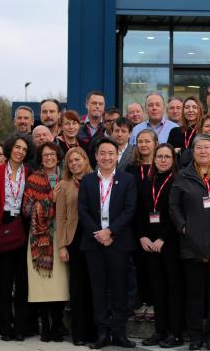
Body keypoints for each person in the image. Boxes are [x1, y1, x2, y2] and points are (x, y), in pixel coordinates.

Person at [169, 134, 210, 350]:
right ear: (192, 151)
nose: (203, 151)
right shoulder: (183, 176)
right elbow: (174, 206)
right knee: (194, 294)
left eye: (207, 147)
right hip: (191, 242)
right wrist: (183, 226)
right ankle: (195, 336)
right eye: (199, 148)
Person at [78, 137, 138, 349]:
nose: (106, 157)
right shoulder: (87, 181)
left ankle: (119, 333)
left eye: (111, 153)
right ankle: (102, 333)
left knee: (120, 289)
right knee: (99, 290)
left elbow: (130, 209)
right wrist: (99, 233)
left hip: (118, 242)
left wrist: (110, 232)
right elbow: (82, 210)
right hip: (93, 243)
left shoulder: (127, 179)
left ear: (117, 156)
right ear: (95, 156)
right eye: (102, 153)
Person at [135, 143, 184, 348]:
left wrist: (162, 239)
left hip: (170, 243)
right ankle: (160, 330)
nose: (163, 160)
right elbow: (139, 212)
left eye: (167, 157)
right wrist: (142, 236)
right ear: (154, 159)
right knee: (157, 289)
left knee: (173, 289)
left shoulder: (178, 181)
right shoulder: (147, 182)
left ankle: (175, 333)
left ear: (173, 160)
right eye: (159, 156)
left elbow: (178, 213)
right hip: (149, 244)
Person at [22, 142, 69, 342]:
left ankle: (57, 326)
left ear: (58, 157)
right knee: (42, 287)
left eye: (52, 154)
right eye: (45, 155)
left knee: (60, 285)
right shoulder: (33, 179)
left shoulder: (66, 178)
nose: (49, 157)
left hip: (61, 237)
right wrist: (50, 198)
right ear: (40, 159)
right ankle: (45, 327)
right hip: (39, 239)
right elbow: (26, 210)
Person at [0, 134, 33, 341]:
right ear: (10, 148)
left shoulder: (29, 172)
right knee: (4, 282)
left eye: (24, 149)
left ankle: (21, 328)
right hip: (2, 227)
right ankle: (5, 327)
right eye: (17, 147)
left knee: (23, 282)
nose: (20, 152)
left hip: (23, 228)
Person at [55, 147, 96, 346]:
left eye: (77, 159)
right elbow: (60, 217)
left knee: (94, 286)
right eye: (70, 161)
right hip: (74, 240)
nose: (74, 164)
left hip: (94, 239)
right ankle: (79, 333)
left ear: (86, 160)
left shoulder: (97, 180)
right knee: (78, 288)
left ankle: (94, 332)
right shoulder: (64, 185)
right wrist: (62, 245)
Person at [167, 96, 204, 167]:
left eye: (194, 107)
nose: (190, 110)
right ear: (183, 111)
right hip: (178, 170)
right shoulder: (174, 132)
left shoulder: (203, 131)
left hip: (199, 169)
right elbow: (168, 153)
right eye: (187, 107)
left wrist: (181, 151)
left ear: (199, 110)